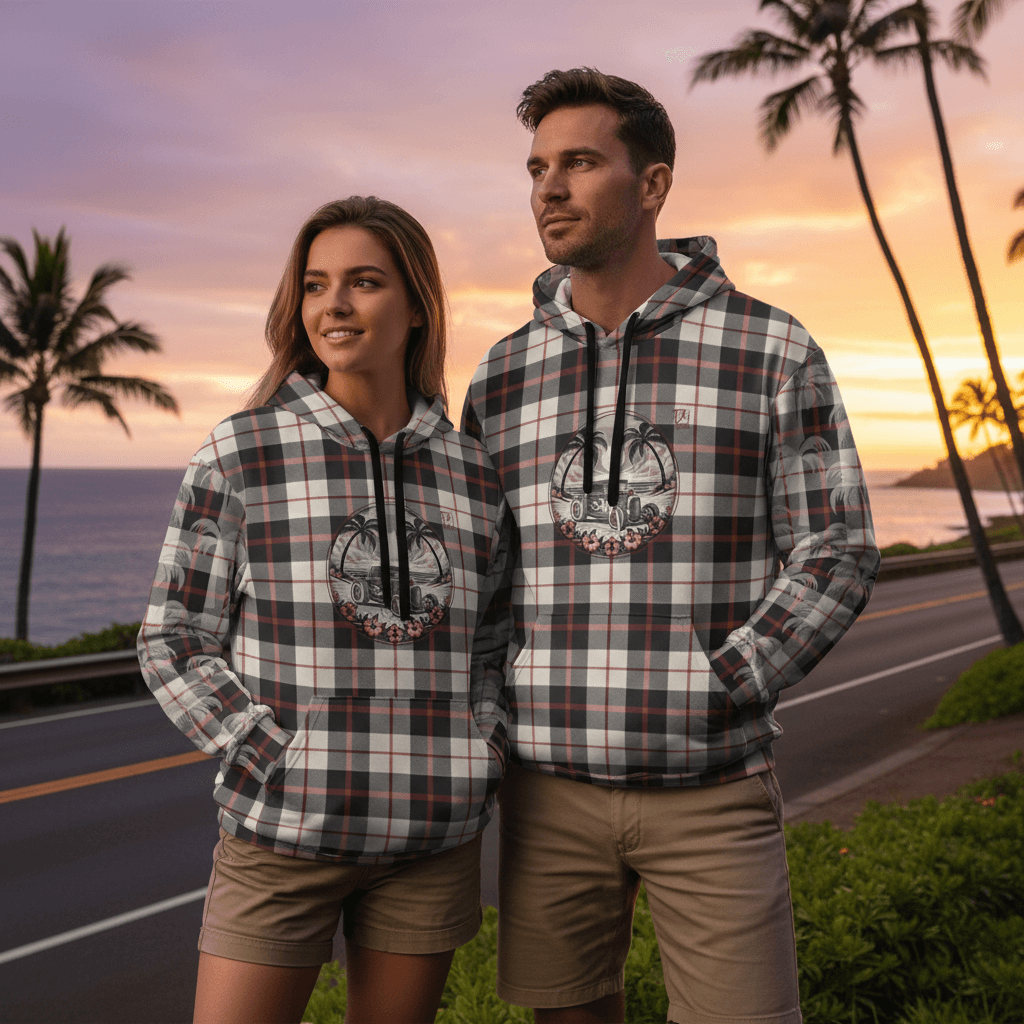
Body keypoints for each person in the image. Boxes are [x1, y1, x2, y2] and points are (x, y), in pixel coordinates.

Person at [462, 69, 880, 1024]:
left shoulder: (771, 349)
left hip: (711, 785)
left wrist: (724, 680)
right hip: (547, 789)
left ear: (652, 186)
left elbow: (837, 548)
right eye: (536, 168)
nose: (548, 188)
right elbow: (487, 582)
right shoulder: (502, 374)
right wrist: (493, 720)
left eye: (579, 162)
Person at [138, 196, 514, 1024]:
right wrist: (264, 746)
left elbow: (491, 646)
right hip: (281, 837)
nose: (334, 305)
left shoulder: (473, 475)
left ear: (417, 306)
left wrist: (473, 751)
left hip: (430, 841)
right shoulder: (243, 451)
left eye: (364, 282)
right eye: (315, 285)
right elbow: (173, 637)